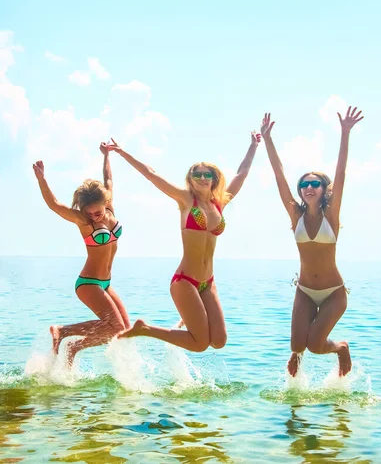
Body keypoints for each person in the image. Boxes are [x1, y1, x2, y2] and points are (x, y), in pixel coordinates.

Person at [109, 131, 260, 351]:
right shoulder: (186, 200)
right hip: (185, 280)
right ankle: (145, 329)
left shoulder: (220, 203)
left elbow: (242, 173)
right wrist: (123, 152)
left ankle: (188, 319)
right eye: (196, 174)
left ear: (214, 179)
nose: (201, 178)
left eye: (206, 174)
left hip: (208, 281)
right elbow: (151, 174)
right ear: (190, 179)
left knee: (218, 341)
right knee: (199, 345)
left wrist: (254, 145)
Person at [260, 106, 364, 377]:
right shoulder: (296, 216)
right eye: (304, 184)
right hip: (304, 289)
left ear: (323, 189)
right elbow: (279, 175)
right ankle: (296, 363)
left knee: (317, 347)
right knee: (297, 346)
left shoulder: (332, 215)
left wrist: (345, 133)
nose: (308, 187)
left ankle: (341, 348)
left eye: (315, 184)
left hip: (333, 293)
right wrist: (268, 140)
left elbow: (341, 175)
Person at [32, 142, 130, 366]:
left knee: (123, 331)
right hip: (88, 283)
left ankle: (74, 348)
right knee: (115, 327)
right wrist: (42, 179)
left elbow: (108, 180)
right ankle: (63, 331)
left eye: (98, 211)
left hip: (105, 283)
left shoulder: (110, 208)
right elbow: (55, 205)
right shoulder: (84, 222)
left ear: (105, 203)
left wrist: (107, 156)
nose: (95, 216)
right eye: (90, 213)